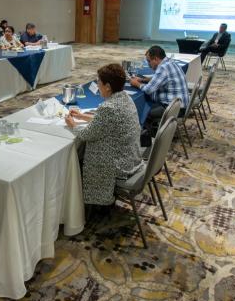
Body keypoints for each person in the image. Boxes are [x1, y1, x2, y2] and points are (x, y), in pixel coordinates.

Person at [65, 64, 144, 206]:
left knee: (76, 159)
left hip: (119, 166)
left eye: (98, 82)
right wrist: (82, 116)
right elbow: (107, 122)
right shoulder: (125, 97)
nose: (97, 85)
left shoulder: (108, 108)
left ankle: (76, 203)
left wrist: (72, 124)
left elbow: (87, 135)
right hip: (132, 157)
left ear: (107, 86)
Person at [129, 45, 189, 137]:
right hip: (180, 106)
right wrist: (143, 80)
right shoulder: (170, 62)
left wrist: (136, 83)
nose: (148, 64)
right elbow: (161, 79)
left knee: (142, 111)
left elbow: (148, 90)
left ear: (156, 59)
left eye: (149, 61)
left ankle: (151, 139)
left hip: (172, 109)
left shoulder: (163, 68)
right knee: (147, 104)